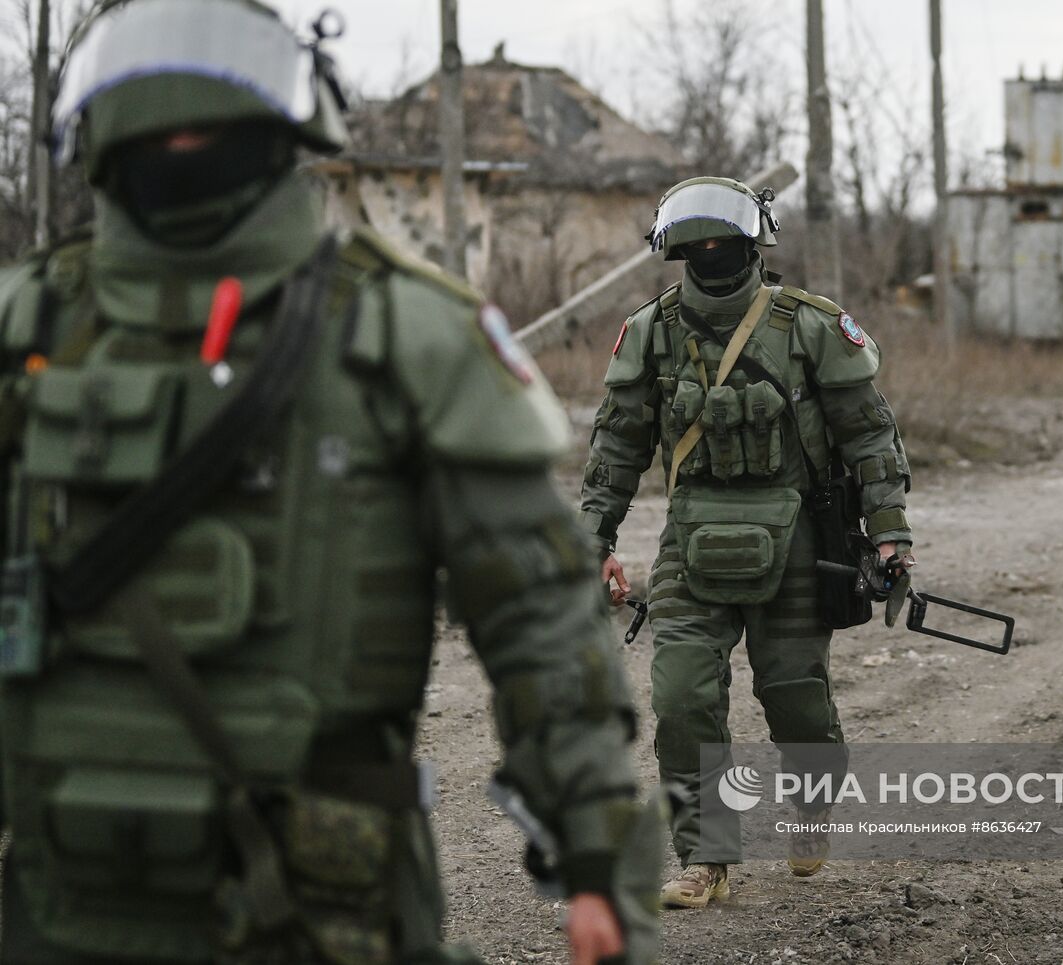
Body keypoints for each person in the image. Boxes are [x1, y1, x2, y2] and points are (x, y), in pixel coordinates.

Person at [0, 1, 658, 962]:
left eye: (208, 116)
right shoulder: (29, 330)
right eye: (158, 113)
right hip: (60, 900)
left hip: (319, 912)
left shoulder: (403, 335)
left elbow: (542, 621)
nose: (181, 138)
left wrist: (595, 858)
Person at [578, 176, 915, 908]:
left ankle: (812, 799)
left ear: (752, 241)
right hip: (692, 543)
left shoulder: (809, 326)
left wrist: (889, 534)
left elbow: (869, 434)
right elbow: (616, 448)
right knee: (680, 697)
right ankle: (706, 857)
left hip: (797, 542)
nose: (709, 254)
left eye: (721, 241)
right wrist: (593, 539)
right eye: (694, 244)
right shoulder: (652, 332)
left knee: (795, 700)